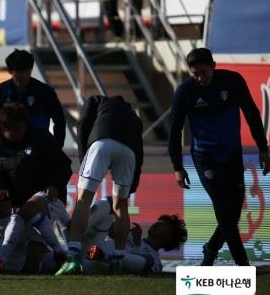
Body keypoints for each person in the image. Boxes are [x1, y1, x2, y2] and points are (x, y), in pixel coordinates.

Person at [168, 47, 270, 266]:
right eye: (195, 74)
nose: (200, 78)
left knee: (233, 212)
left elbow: (251, 113)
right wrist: (177, 166)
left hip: (232, 155)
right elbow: (174, 131)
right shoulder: (185, 92)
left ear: (213, 66)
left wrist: (263, 148)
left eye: (204, 72)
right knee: (223, 208)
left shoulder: (232, 81)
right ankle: (242, 264)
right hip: (205, 157)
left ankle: (212, 247)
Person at [56, 95, 143, 275]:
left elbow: (82, 128)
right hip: (128, 152)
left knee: (83, 200)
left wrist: (83, 160)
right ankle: (118, 260)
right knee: (121, 207)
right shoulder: (133, 115)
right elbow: (139, 151)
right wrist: (133, 184)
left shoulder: (95, 101)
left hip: (102, 143)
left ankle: (72, 257)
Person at [0, 103, 72, 272]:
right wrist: (0, 190)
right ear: (3, 128)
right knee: (29, 267)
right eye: (16, 128)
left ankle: (2, 258)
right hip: (19, 211)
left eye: (23, 125)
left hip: (49, 200)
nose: (21, 130)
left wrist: (54, 185)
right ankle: (8, 252)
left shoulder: (42, 138)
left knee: (29, 208)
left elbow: (63, 165)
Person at [81, 197, 187, 274]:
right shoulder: (130, 234)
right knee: (110, 202)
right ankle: (73, 237)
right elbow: (108, 228)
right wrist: (122, 225)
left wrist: (137, 245)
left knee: (148, 262)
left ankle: (103, 256)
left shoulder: (155, 260)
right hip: (88, 250)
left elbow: (139, 269)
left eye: (164, 224)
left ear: (169, 238)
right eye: (159, 221)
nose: (157, 223)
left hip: (98, 264)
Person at [0, 49, 66, 147]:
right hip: (10, 147)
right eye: (18, 71)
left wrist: (57, 146)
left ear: (31, 69)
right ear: (10, 71)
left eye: (26, 70)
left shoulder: (45, 91)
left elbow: (59, 121)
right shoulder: (0, 91)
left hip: (38, 147)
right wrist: (0, 146)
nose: (23, 75)